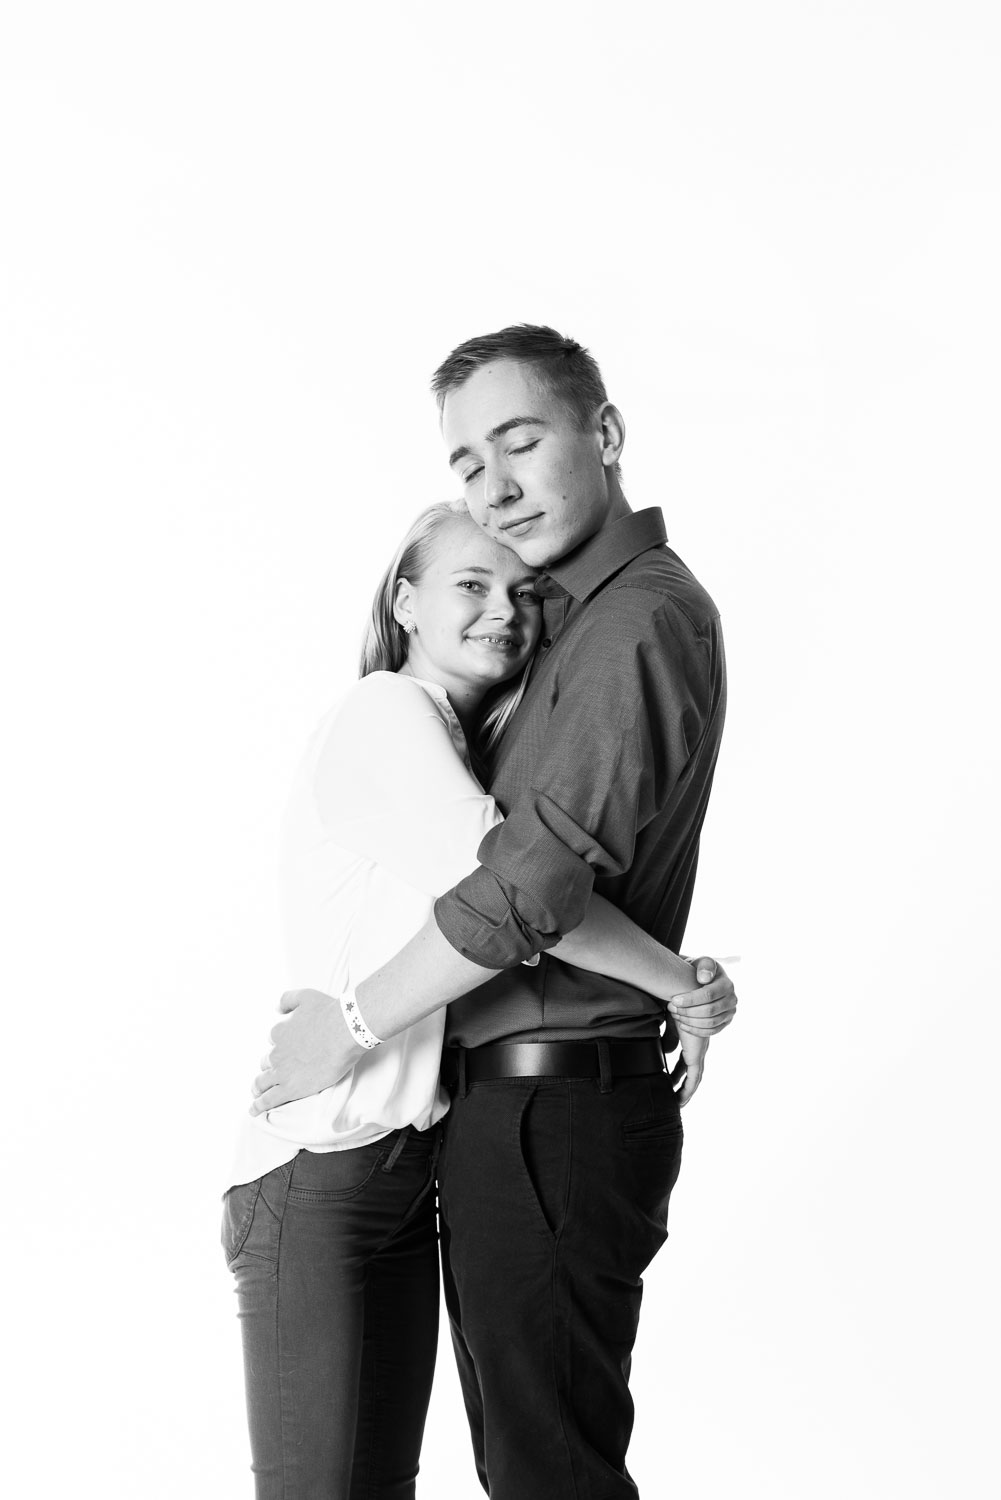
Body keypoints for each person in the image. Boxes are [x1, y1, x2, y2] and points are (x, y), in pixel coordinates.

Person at [227, 495, 734, 1498]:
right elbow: (518, 893)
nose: (504, 608)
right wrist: (677, 982)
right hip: (320, 1168)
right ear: (404, 602)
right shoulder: (385, 713)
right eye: (471, 583)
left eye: (524, 591)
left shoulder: (462, 745)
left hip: (401, 1168)